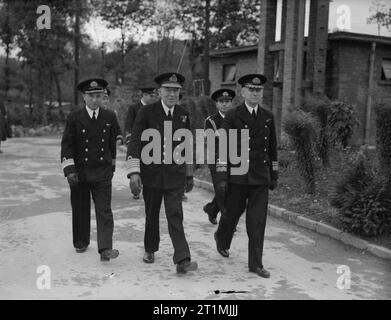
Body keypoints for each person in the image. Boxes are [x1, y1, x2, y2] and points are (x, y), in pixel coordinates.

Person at [126, 72, 198, 274]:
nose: (172, 94)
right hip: (152, 175)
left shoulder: (183, 113)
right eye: (168, 90)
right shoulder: (147, 112)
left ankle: (182, 259)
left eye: (176, 90)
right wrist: (134, 171)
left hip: (175, 175)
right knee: (152, 213)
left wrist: (189, 173)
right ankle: (150, 248)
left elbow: (187, 144)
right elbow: (136, 142)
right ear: (159, 91)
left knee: (175, 214)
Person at [214, 74, 279, 278]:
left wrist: (274, 174)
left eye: (258, 90)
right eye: (251, 89)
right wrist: (222, 177)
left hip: (260, 176)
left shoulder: (268, 116)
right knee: (231, 214)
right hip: (238, 176)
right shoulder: (233, 115)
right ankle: (221, 238)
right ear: (242, 92)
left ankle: (255, 264)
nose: (255, 93)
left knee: (257, 220)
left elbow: (272, 148)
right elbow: (222, 146)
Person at [61, 78, 120, 262]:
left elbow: (112, 145)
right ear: (84, 97)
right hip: (80, 172)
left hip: (102, 171)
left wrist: (112, 167)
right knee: (80, 209)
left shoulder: (109, 116)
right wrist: (69, 169)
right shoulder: (74, 117)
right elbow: (67, 145)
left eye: (98, 95)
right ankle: (81, 241)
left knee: (104, 211)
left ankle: (105, 248)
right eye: (91, 96)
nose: (95, 99)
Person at [203, 89, 236, 224]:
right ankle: (227, 221)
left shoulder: (238, 119)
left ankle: (211, 209)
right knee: (222, 187)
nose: (225, 105)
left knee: (231, 189)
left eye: (227, 101)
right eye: (221, 102)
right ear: (216, 104)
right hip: (217, 159)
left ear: (231, 103)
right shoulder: (211, 121)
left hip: (234, 159)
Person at [124, 86, 157, 200]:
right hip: (137, 142)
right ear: (144, 95)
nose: (152, 98)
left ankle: (147, 188)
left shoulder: (154, 108)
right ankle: (136, 189)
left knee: (148, 167)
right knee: (136, 166)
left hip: (150, 143)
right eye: (150, 96)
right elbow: (128, 123)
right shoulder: (134, 108)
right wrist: (128, 138)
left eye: (154, 96)